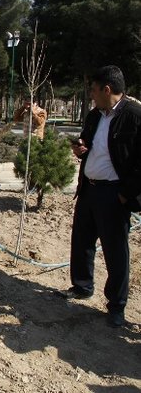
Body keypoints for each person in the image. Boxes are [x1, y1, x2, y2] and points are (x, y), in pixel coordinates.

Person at [61, 65, 141, 328]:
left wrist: (124, 195)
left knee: (115, 251)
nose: (91, 95)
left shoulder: (134, 116)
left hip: (113, 194)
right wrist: (81, 148)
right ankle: (82, 286)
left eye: (94, 90)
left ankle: (116, 306)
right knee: (82, 241)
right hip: (89, 189)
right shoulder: (95, 115)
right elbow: (88, 144)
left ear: (107, 89)